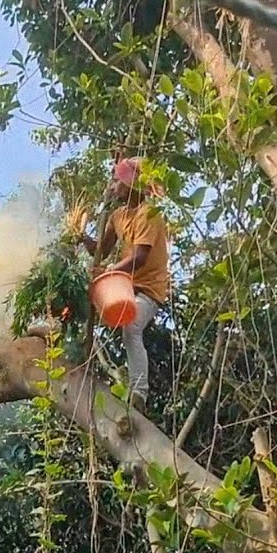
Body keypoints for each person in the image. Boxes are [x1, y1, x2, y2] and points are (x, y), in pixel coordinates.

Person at [80, 156, 171, 414]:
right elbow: (100, 249)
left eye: (118, 181)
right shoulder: (118, 216)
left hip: (148, 292)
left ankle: (139, 394)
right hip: (125, 288)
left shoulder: (149, 215)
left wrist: (109, 271)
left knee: (131, 328)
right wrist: (82, 236)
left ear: (131, 185)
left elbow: (139, 258)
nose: (114, 186)